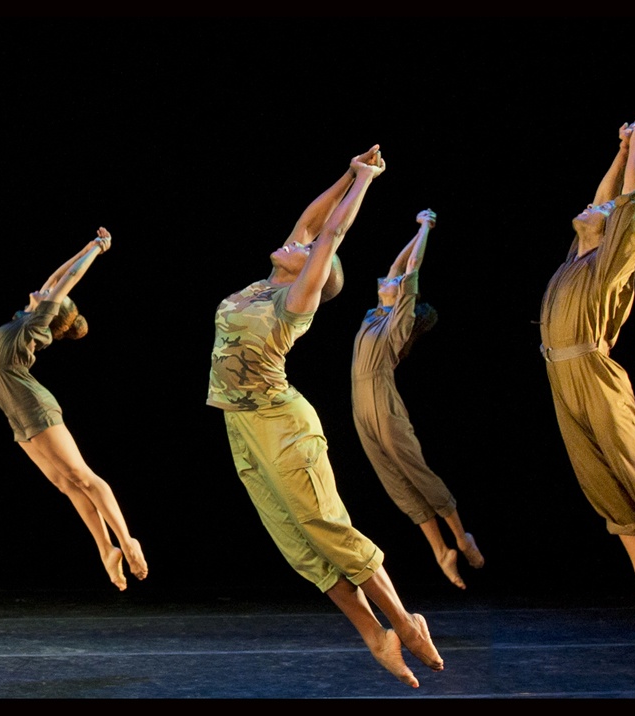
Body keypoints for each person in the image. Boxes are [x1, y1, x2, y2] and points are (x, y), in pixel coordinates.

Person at [207, 146, 443, 687]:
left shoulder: (296, 300)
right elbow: (315, 222)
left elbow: (329, 235)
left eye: (306, 251)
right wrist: (345, 171)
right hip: (240, 426)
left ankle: (405, 622)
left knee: (326, 526)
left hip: (282, 422)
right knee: (295, 540)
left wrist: (365, 181)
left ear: (313, 273)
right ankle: (374, 633)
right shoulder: (264, 283)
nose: (297, 240)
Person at [539, 119, 635, 639]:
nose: (592, 206)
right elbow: (604, 199)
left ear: (609, 229)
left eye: (600, 211)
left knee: (631, 462)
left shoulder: (610, 259)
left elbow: (629, 200)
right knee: (596, 477)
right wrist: (620, 146)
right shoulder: (574, 259)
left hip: (594, 371)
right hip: (560, 375)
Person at [0, 228, 147, 590]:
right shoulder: (26, 317)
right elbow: (57, 277)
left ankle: (127, 539)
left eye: (50, 297)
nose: (43, 289)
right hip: (17, 413)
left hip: (33, 405)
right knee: (65, 483)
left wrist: (99, 251)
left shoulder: (36, 322)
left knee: (82, 475)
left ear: (52, 311)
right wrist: (87, 245)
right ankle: (106, 550)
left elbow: (66, 281)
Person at [351, 209, 484, 589]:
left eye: (394, 283)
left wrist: (425, 227)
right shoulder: (375, 314)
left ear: (404, 298)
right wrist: (413, 232)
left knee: (416, 471)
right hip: (361, 407)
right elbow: (396, 267)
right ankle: (440, 550)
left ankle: (461, 536)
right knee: (394, 482)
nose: (386, 279)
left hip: (381, 400)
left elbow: (408, 269)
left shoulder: (398, 320)